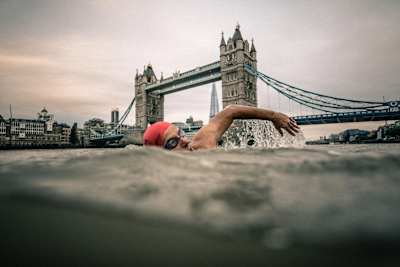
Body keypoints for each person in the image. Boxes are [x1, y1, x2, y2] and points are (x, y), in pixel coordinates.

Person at [143, 104, 300, 151]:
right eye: (172, 142)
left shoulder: (201, 144)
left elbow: (230, 111)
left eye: (181, 133)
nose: (184, 140)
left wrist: (274, 116)